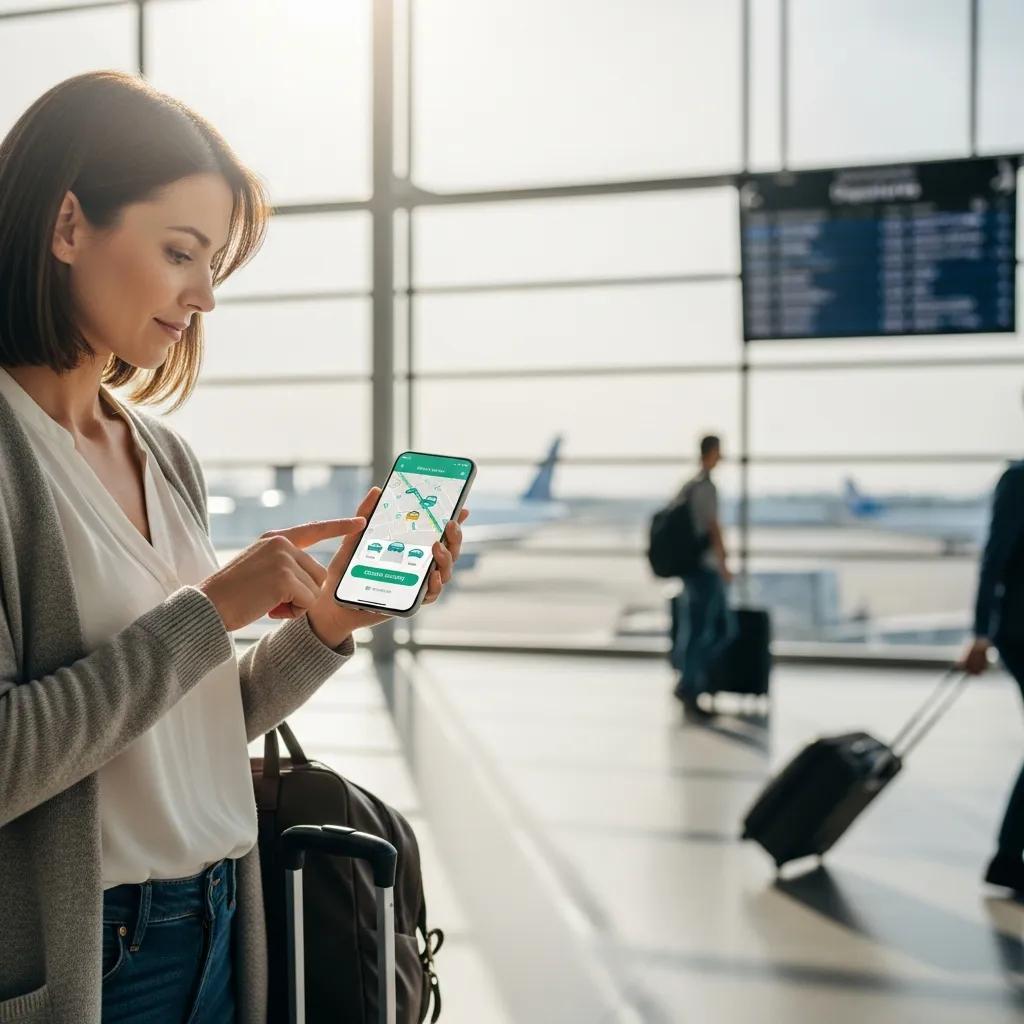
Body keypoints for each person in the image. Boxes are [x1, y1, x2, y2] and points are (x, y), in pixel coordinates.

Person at [0, 72, 469, 1024]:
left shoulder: (161, 454)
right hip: (94, 961)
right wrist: (210, 612)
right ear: (67, 226)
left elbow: (188, 728)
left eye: (212, 262)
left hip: (225, 923)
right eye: (181, 252)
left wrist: (331, 622)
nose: (204, 296)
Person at [959, 453, 1024, 896]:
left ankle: (1008, 855)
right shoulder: (1019, 479)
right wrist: (981, 633)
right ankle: (1007, 855)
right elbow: (995, 554)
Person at [670, 435, 736, 716]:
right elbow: (713, 527)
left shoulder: (687, 487)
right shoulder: (707, 488)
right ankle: (690, 685)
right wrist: (724, 564)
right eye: (720, 451)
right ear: (711, 452)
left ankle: (689, 681)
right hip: (705, 569)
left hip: (690, 569)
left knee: (695, 629)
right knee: (715, 629)